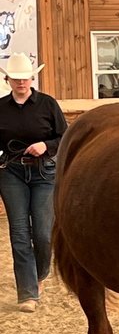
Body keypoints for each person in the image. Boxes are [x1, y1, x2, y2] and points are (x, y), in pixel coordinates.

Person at [0, 53, 68, 311]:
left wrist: (46, 145)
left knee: (42, 232)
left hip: (44, 173)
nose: (21, 82)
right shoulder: (0, 108)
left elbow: (65, 136)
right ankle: (27, 294)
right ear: (8, 80)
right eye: (16, 79)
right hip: (11, 172)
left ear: (32, 78)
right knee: (19, 233)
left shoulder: (48, 105)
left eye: (25, 78)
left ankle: (39, 274)